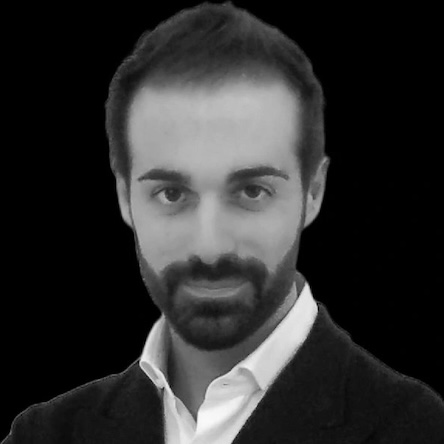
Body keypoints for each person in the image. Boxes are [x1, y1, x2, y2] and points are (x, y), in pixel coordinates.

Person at [4, 2, 443, 443]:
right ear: (124, 197)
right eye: (171, 194)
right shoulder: (44, 435)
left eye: (251, 191)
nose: (210, 247)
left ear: (313, 192)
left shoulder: (422, 430)